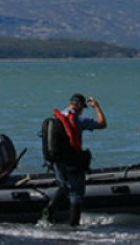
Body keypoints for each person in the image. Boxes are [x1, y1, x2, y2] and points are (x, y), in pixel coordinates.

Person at [42, 93, 107, 226]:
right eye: (82, 107)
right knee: (76, 194)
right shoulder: (79, 119)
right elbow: (102, 124)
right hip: (72, 161)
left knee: (63, 187)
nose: (82, 110)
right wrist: (96, 107)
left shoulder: (57, 117)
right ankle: (73, 225)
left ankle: (49, 212)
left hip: (57, 160)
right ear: (78, 106)